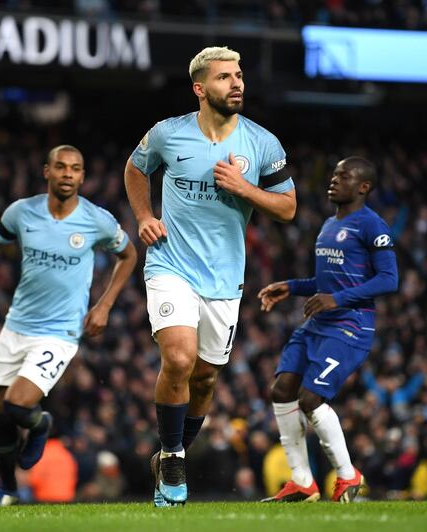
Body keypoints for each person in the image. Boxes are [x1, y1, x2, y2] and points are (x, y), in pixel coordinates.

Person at [124, 46, 296, 506]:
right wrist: (143, 215)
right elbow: (135, 169)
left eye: (239, 76)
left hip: (224, 279)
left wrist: (245, 189)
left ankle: (169, 455)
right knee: (178, 360)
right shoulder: (168, 134)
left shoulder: (262, 143)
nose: (237, 83)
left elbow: (288, 207)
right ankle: (174, 458)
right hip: (169, 262)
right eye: (224, 77)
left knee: (203, 378)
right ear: (200, 88)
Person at [0, 145, 137, 506]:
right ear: (46, 171)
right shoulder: (22, 212)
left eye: (76, 169)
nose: (68, 174)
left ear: (83, 177)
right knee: (1, 416)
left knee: (19, 406)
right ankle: (6, 489)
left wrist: (104, 305)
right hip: (16, 325)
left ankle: (40, 425)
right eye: (61, 167)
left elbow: (128, 255)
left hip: (60, 331)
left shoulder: (96, 220)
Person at [258, 157, 398, 503]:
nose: (334, 180)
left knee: (310, 398)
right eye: (334, 174)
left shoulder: (372, 226)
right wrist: (291, 286)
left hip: (350, 327)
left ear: (363, 186)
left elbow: (389, 279)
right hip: (318, 324)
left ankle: (348, 476)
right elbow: (324, 284)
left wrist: (338, 299)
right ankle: (302, 482)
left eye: (344, 176)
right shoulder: (327, 225)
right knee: (281, 390)